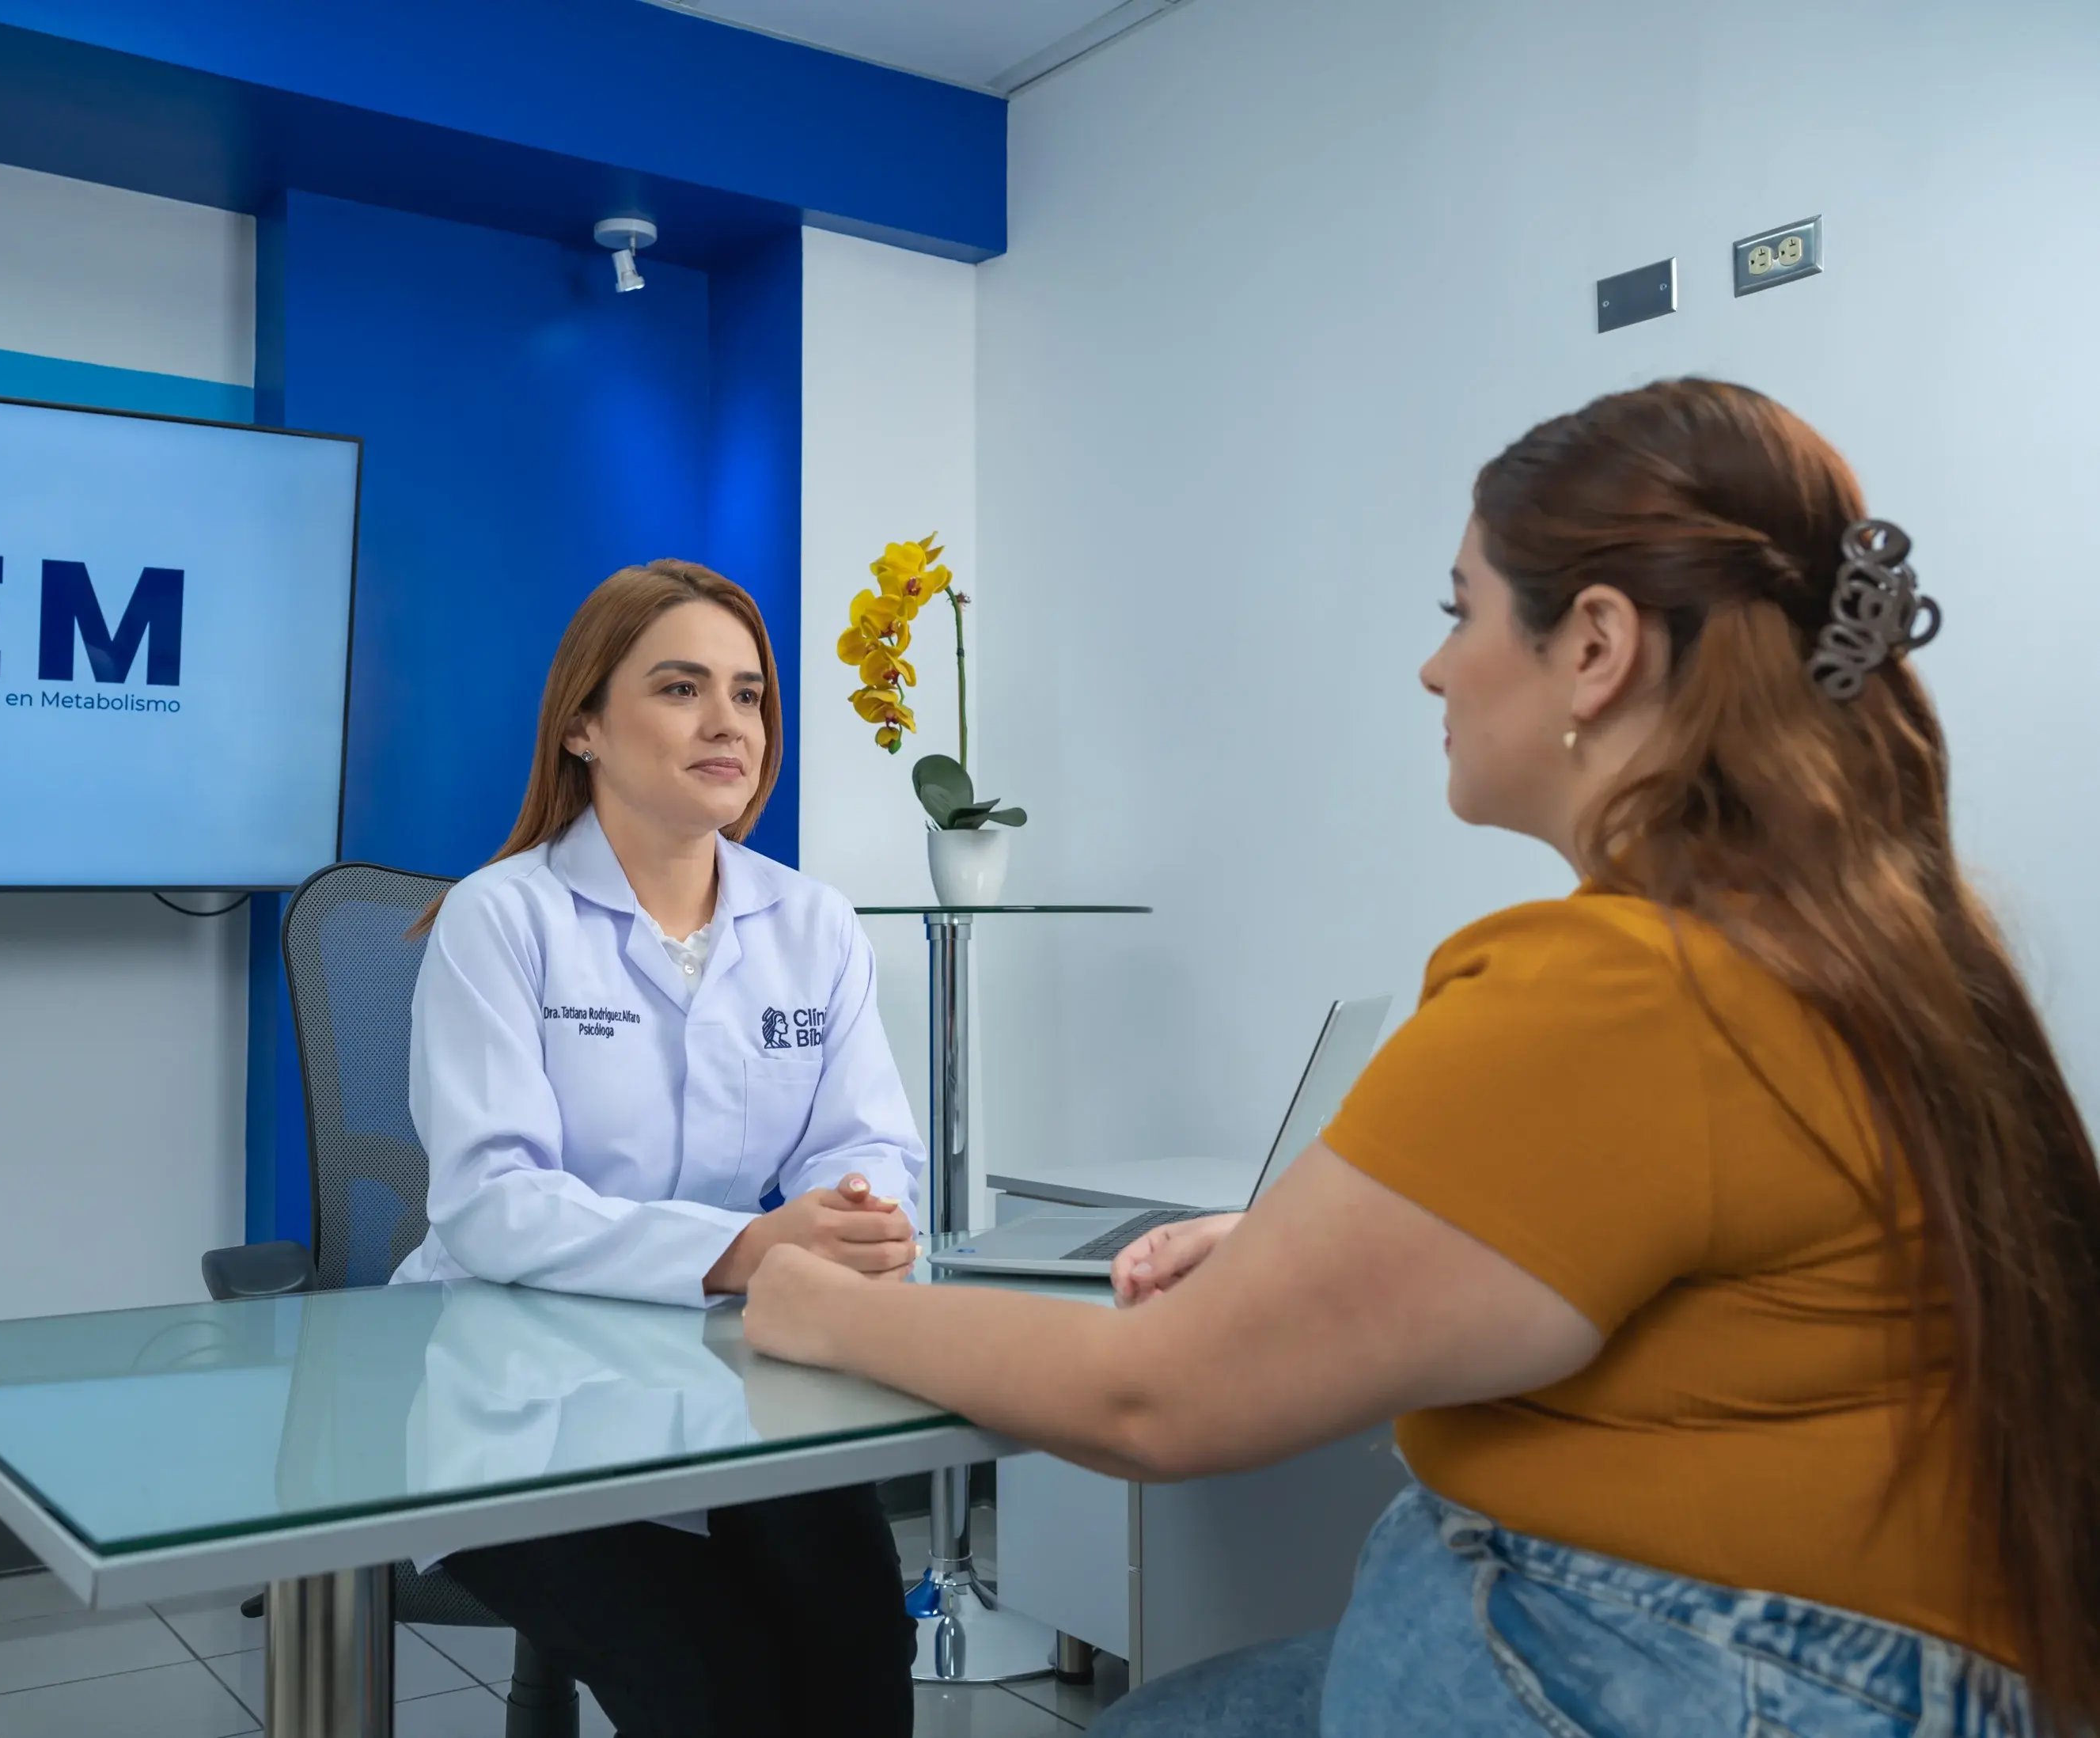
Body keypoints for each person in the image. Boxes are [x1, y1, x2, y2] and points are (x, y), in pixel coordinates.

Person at [741, 380, 2100, 1738]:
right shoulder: (1872, 953)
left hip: (1684, 1667)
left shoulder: (1624, 981)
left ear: (1596, 648)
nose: (1435, 666)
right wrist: (1326, 1252)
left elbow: (1153, 1396)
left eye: (1461, 611)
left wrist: (820, 1306)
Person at [393, 558, 923, 1738]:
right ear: (583, 724)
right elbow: (489, 1204)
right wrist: (748, 1243)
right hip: (511, 1400)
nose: (727, 723)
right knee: (715, 1685)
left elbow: (872, 1143)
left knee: (854, 1653)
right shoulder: (503, 915)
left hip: (734, 1373)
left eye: (748, 694)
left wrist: (859, 1218)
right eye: (681, 689)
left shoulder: (814, 923)